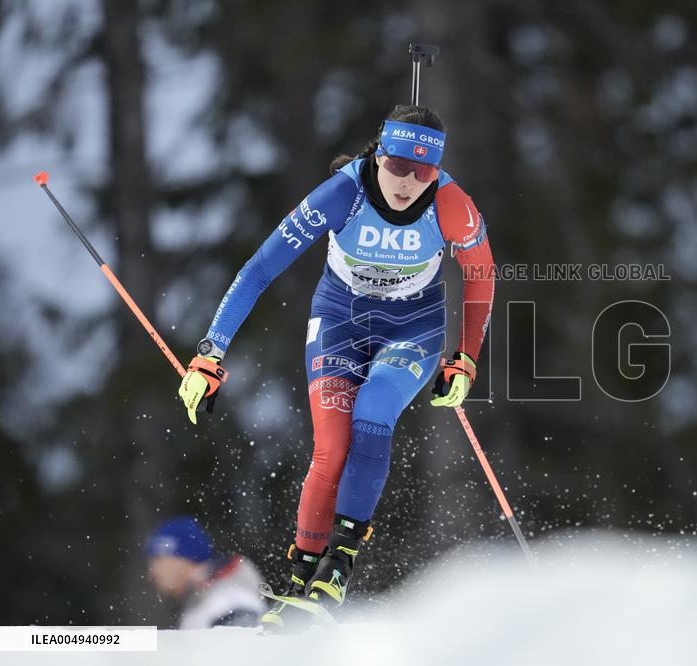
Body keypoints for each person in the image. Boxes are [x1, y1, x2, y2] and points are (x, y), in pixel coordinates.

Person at [176, 104, 495, 631]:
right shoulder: (341, 194)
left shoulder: (453, 207)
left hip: (410, 331)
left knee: (372, 414)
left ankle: (337, 568)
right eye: (397, 166)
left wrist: (465, 358)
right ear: (379, 155)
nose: (407, 183)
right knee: (331, 447)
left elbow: (481, 277)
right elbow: (259, 270)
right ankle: (300, 579)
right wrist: (209, 354)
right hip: (340, 323)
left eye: (423, 172)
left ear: (437, 172)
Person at [145, 516, 267, 629]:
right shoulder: (204, 601)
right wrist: (127, 642)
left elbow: (242, 649)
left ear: (183, 559)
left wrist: (129, 642)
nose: (152, 573)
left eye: (158, 560)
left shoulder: (229, 600)